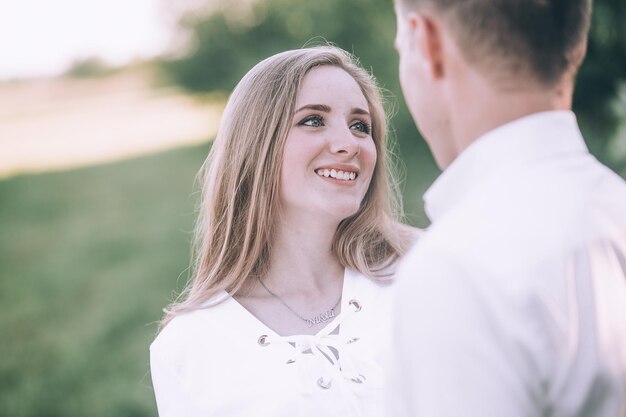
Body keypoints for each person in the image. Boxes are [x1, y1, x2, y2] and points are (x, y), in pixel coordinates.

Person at [387, 0, 626, 416]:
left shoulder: (459, 267)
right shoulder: (613, 207)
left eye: (399, 47)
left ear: (427, 44)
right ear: (575, 45)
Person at [150, 45, 416, 417]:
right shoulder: (189, 346)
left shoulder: (422, 271)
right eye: (313, 120)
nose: (348, 145)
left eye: (360, 126)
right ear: (256, 146)